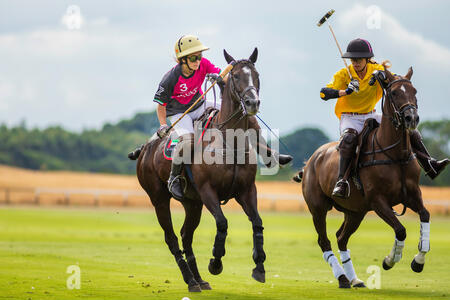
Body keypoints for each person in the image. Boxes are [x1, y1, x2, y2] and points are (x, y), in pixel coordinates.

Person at [128, 35, 292, 200]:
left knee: (242, 115)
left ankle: (267, 154)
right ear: (182, 59)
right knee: (188, 141)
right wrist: (163, 126)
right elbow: (161, 106)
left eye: (199, 56)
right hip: (179, 113)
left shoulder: (203, 65)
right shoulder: (170, 78)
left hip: (200, 104)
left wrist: (234, 77)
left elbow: (224, 76)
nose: (197, 60)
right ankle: (174, 178)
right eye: (193, 57)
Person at [316, 38, 448, 198]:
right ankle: (341, 181)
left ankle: (429, 163)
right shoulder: (344, 74)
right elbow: (323, 93)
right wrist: (345, 91)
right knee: (349, 139)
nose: (355, 63)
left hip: (371, 114)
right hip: (350, 117)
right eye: (352, 59)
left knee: (408, 129)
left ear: (367, 59)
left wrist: (381, 75)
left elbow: (397, 80)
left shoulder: (376, 68)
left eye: (358, 59)